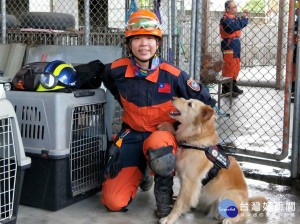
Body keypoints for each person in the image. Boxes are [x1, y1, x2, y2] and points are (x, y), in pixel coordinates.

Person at [101, 9, 216, 219]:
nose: (143, 44)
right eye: (137, 38)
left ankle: (164, 199)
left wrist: (175, 127)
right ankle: (144, 170)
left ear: (158, 43)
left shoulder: (173, 75)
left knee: (160, 151)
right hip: (131, 136)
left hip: (161, 137)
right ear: (128, 43)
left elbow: (205, 103)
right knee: (113, 202)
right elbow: (106, 78)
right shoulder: (117, 69)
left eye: (149, 38)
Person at [220, 0, 249, 96]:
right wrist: (242, 20)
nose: (236, 9)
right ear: (227, 9)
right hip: (229, 43)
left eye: (236, 7)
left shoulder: (235, 18)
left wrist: (244, 18)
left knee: (236, 65)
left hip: (236, 43)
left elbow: (241, 24)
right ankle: (226, 87)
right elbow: (233, 27)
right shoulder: (225, 19)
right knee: (229, 65)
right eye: (233, 7)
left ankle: (233, 85)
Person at [292, 1, 299, 103]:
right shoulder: (297, 19)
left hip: (297, 44)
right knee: (294, 65)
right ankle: (294, 88)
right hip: (295, 45)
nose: (295, 11)